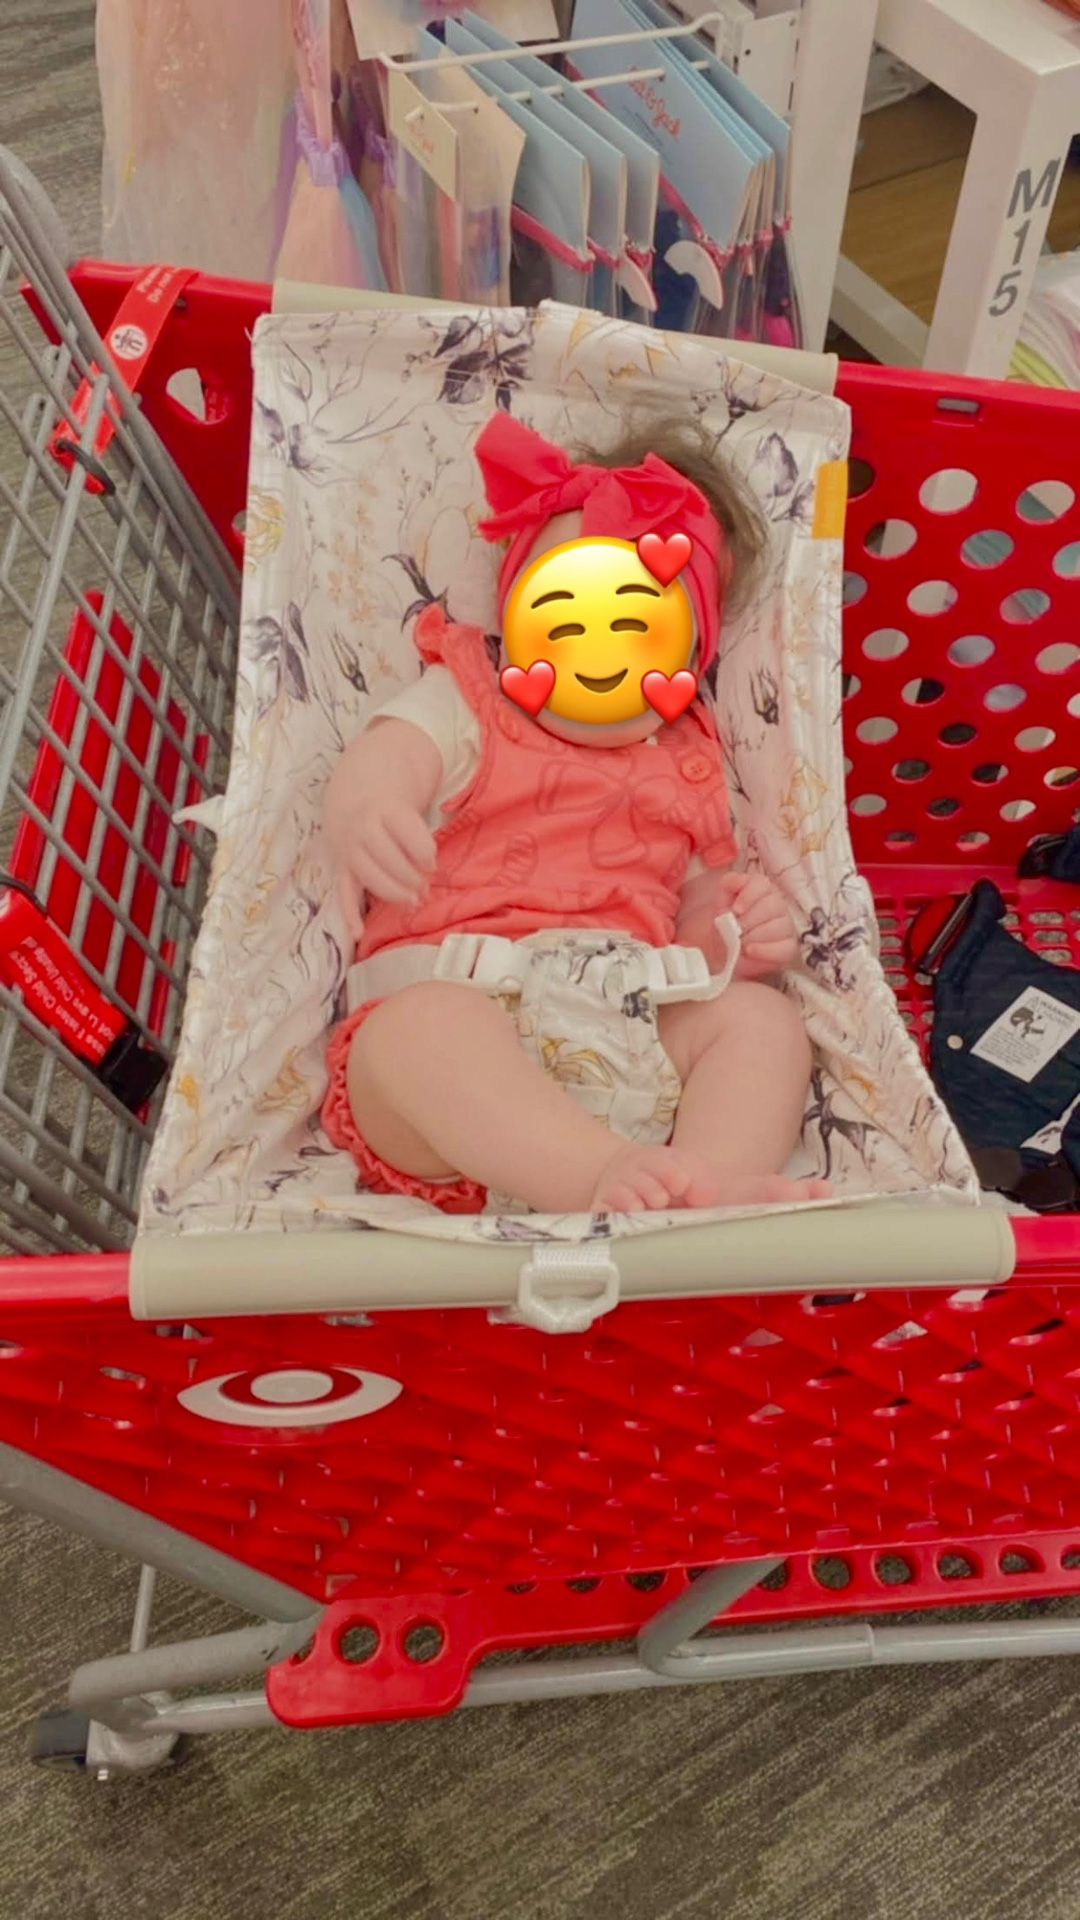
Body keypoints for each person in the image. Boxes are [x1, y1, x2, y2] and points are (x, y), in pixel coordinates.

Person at [321, 411, 830, 1215]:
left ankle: (703, 1188)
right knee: (416, 1031)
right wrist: (370, 805)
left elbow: (696, 922)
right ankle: (596, 1178)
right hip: (459, 1065)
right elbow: (391, 753)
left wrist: (739, 929)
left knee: (762, 1023)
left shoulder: (691, 757)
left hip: (628, 1034)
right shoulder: (470, 701)